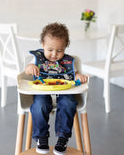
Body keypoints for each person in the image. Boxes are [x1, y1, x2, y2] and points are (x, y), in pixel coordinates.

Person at [25, 22, 88, 155]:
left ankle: (63, 137)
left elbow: (73, 74)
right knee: (39, 106)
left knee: (69, 103)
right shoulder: (37, 58)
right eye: (50, 50)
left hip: (64, 91)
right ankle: (41, 138)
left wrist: (79, 76)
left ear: (65, 47)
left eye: (59, 50)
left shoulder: (67, 61)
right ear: (43, 45)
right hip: (43, 92)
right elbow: (27, 70)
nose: (54, 54)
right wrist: (30, 68)